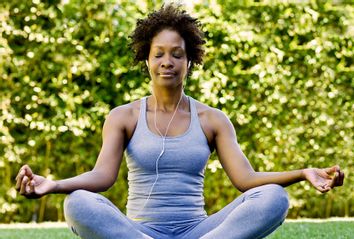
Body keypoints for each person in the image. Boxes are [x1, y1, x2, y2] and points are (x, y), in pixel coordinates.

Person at [15, 4, 344, 239]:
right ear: (147, 59)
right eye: (158, 54)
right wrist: (53, 185)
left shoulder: (212, 119)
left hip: (200, 232)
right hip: (137, 231)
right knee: (78, 203)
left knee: (274, 198)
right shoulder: (123, 116)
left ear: (190, 60)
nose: (167, 62)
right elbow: (102, 177)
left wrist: (302, 174)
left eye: (177, 54)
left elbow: (246, 180)